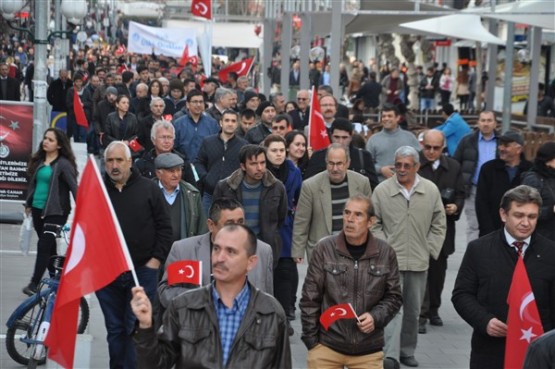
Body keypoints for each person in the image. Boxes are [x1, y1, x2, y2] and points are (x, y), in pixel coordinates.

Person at [131, 224, 292, 369]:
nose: (220, 258)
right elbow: (155, 364)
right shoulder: (183, 306)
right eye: (216, 249)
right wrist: (145, 327)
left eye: (231, 251)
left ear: (251, 262)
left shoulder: (271, 313)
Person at [452, 185, 555, 369]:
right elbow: (462, 295)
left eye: (532, 216)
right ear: (503, 214)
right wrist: (485, 321)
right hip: (489, 352)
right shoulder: (479, 249)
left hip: (537, 354)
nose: (525, 222)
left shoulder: (550, 253)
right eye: (518, 215)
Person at [300, 195, 402, 369]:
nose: (349, 219)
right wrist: (312, 342)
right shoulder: (324, 249)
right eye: (347, 213)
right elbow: (310, 297)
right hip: (327, 346)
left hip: (368, 349)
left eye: (358, 215)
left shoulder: (385, 253)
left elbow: (394, 297)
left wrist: (375, 317)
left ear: (371, 222)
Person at [97, 141, 172, 369]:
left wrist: (154, 261)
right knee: (115, 329)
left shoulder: (149, 189)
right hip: (107, 275)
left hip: (141, 272)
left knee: (135, 326)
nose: (114, 165)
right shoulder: (98, 191)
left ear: (130, 162)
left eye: (119, 160)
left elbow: (165, 228)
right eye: (110, 160)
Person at [371, 146, 446, 368]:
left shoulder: (430, 190)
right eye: (398, 165)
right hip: (389, 263)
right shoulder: (382, 191)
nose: (401, 170)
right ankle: (390, 354)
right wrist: (385, 250)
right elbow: (374, 224)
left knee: (413, 311)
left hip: (418, 261)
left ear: (417, 167)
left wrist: (429, 249)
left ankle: (406, 351)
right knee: (391, 309)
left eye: (407, 166)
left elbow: (439, 224)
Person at [158, 198, 274, 309]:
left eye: (240, 222)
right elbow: (166, 293)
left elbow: (268, 301)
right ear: (211, 225)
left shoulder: (262, 251)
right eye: (229, 224)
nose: (237, 229)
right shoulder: (184, 250)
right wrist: (203, 299)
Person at [417, 130, 465, 334]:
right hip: (419, 227)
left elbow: (461, 193)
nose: (431, 152)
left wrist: (455, 207)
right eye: (427, 147)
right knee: (420, 273)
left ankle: (434, 309)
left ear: (443, 147)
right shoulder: (415, 164)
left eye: (436, 148)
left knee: (437, 274)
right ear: (422, 145)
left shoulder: (453, 166)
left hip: (443, 228)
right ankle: (420, 313)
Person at [292, 143, 372, 264]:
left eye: (339, 163)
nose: (335, 169)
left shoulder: (362, 182)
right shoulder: (310, 186)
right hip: (322, 252)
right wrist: (297, 250)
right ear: (326, 163)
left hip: (355, 251)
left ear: (347, 163)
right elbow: (302, 220)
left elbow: (370, 217)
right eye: (331, 163)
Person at [22, 128, 78, 295]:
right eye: (45, 138)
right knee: (50, 248)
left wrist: (83, 210)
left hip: (57, 212)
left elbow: (75, 188)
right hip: (39, 211)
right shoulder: (40, 161)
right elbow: (35, 185)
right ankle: (57, 279)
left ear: (59, 145)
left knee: (43, 245)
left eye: (51, 140)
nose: (46, 141)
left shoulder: (64, 165)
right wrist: (28, 203)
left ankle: (34, 284)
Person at [213, 144, 288, 266]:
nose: (259, 168)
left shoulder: (277, 187)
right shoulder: (225, 187)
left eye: (262, 163)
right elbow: (217, 217)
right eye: (253, 164)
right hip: (233, 247)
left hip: (265, 247)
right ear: (243, 166)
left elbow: (281, 217)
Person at [262, 135, 303, 324]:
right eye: (274, 151)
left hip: (286, 227)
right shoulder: (260, 171)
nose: (278, 154)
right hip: (265, 225)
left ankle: (286, 311)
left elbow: (299, 198)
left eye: (281, 150)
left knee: (286, 269)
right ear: (266, 152)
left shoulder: (294, 171)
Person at [453, 110, 498, 243]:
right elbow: (456, 163)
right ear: (478, 123)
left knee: (495, 223)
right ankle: (473, 258)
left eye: (489, 120)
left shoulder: (502, 142)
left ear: (495, 124)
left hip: (495, 190)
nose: (486, 124)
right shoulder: (467, 141)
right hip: (473, 189)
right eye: (483, 120)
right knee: (474, 225)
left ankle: (493, 258)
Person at [476, 130, 532, 237]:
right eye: (500, 144)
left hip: (522, 233)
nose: (501, 148)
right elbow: (481, 203)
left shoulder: (530, 171)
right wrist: (488, 232)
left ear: (519, 149)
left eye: (506, 145)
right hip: (491, 232)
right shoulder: (488, 169)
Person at [195, 109, 248, 214]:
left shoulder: (243, 145)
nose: (230, 124)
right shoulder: (208, 142)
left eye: (233, 121)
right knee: (206, 227)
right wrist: (206, 178)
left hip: (233, 195)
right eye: (227, 120)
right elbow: (198, 162)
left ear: (237, 124)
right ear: (221, 123)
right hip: (209, 194)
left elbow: (246, 166)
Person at [304, 118, 379, 189]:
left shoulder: (364, 156)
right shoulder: (318, 156)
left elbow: (373, 186)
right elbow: (308, 185)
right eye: (336, 137)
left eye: (344, 137)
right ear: (331, 135)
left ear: (351, 137)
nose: (340, 141)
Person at [153, 153, 206, 242]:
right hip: (155, 252)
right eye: (171, 171)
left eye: (178, 170)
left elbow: (202, 229)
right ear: (159, 174)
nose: (176, 175)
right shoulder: (148, 192)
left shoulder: (192, 194)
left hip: (184, 252)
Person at [366, 105, 420, 183]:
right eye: (384, 116)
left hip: (407, 185)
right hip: (381, 185)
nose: (386, 119)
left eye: (390, 116)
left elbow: (418, 160)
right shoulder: (373, 140)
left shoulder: (410, 138)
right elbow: (367, 164)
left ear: (398, 118)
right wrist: (381, 170)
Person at [521, 142, 555, 240]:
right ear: (548, 160)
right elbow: (524, 209)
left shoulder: (552, 176)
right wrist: (551, 210)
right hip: (539, 237)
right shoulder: (533, 179)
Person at [173, 89, 219, 161]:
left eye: (201, 102)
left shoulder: (212, 123)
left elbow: (216, 146)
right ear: (187, 104)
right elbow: (174, 147)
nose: (198, 105)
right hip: (184, 165)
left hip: (206, 166)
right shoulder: (178, 124)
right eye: (195, 102)